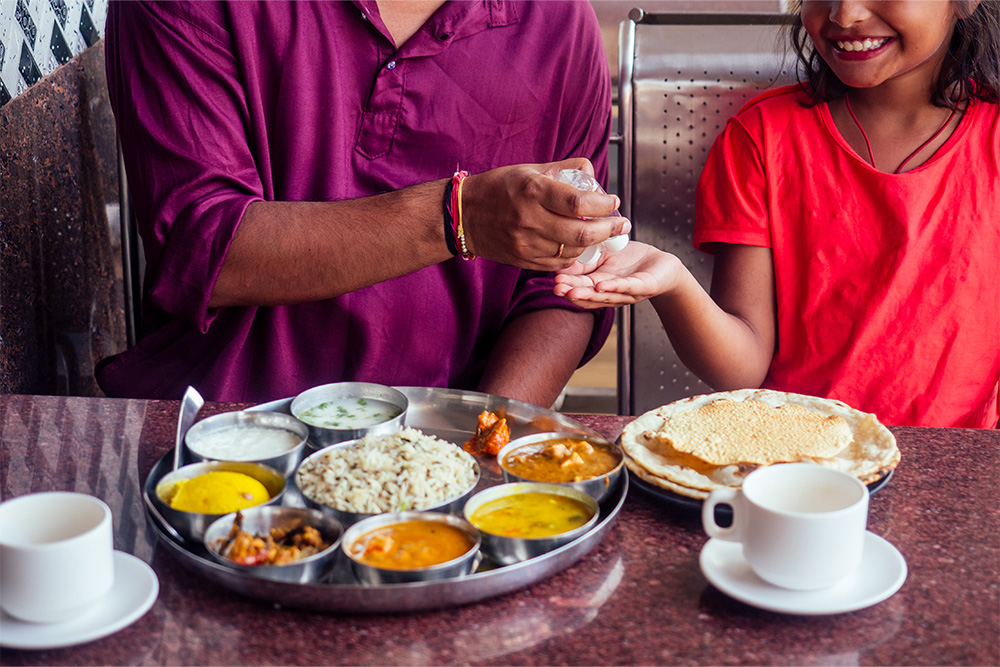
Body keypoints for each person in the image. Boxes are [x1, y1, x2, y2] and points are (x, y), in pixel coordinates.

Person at [99, 1, 628, 406]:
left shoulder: (556, 20)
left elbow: (564, 284)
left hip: (451, 438)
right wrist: (457, 217)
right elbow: (203, 245)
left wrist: (485, 440)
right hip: (227, 433)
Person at [555, 0, 1000, 428]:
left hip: (962, 463)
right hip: (796, 460)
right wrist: (672, 282)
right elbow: (743, 369)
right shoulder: (762, 138)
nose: (845, 13)